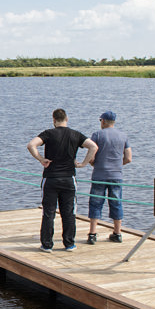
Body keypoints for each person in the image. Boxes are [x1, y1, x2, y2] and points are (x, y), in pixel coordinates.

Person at [27, 108, 97, 253]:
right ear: (67, 119)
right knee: (69, 212)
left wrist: (41, 159)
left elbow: (31, 145)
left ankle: (47, 245)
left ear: (54, 120)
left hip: (51, 178)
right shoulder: (75, 134)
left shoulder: (48, 133)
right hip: (69, 179)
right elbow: (93, 146)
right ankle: (69, 243)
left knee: (48, 212)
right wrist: (84, 163)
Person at [86, 111, 132, 244]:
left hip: (99, 174)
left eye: (101, 120)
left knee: (95, 203)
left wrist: (93, 163)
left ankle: (92, 234)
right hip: (116, 175)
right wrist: (118, 164)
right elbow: (128, 158)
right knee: (116, 203)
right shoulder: (123, 136)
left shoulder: (97, 135)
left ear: (104, 121)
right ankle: (117, 233)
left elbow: (91, 154)